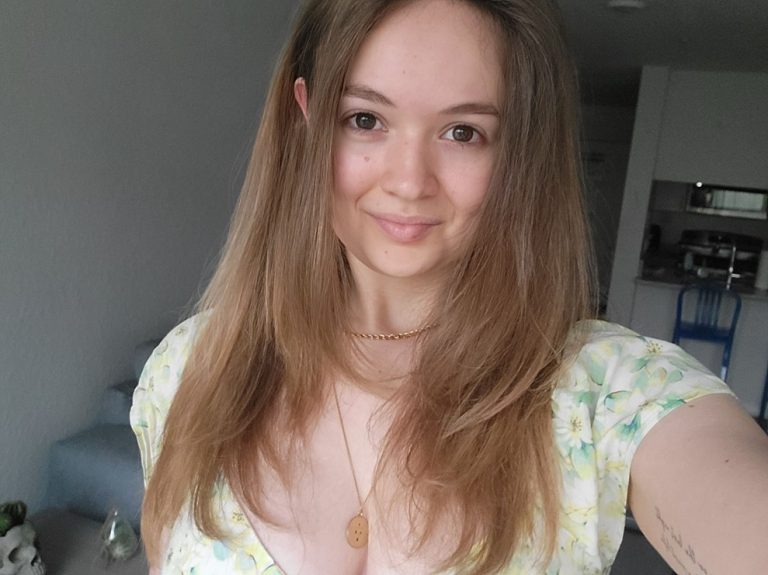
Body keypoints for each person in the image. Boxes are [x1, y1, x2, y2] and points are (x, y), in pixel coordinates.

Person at [130, 0, 768, 573]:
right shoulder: (188, 370)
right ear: (306, 118)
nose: (409, 181)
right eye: (364, 119)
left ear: (516, 154)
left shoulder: (604, 391)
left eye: (463, 133)